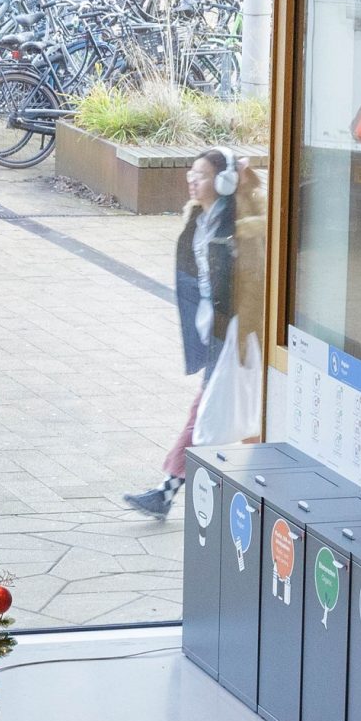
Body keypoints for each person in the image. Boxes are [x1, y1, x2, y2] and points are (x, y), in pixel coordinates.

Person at [123, 148, 237, 515]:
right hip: (215, 330)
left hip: (235, 334)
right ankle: (170, 493)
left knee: (204, 412)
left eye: (202, 175)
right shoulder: (198, 219)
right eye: (192, 173)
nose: (193, 180)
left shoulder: (236, 223)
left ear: (225, 182)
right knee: (208, 412)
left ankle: (167, 493)